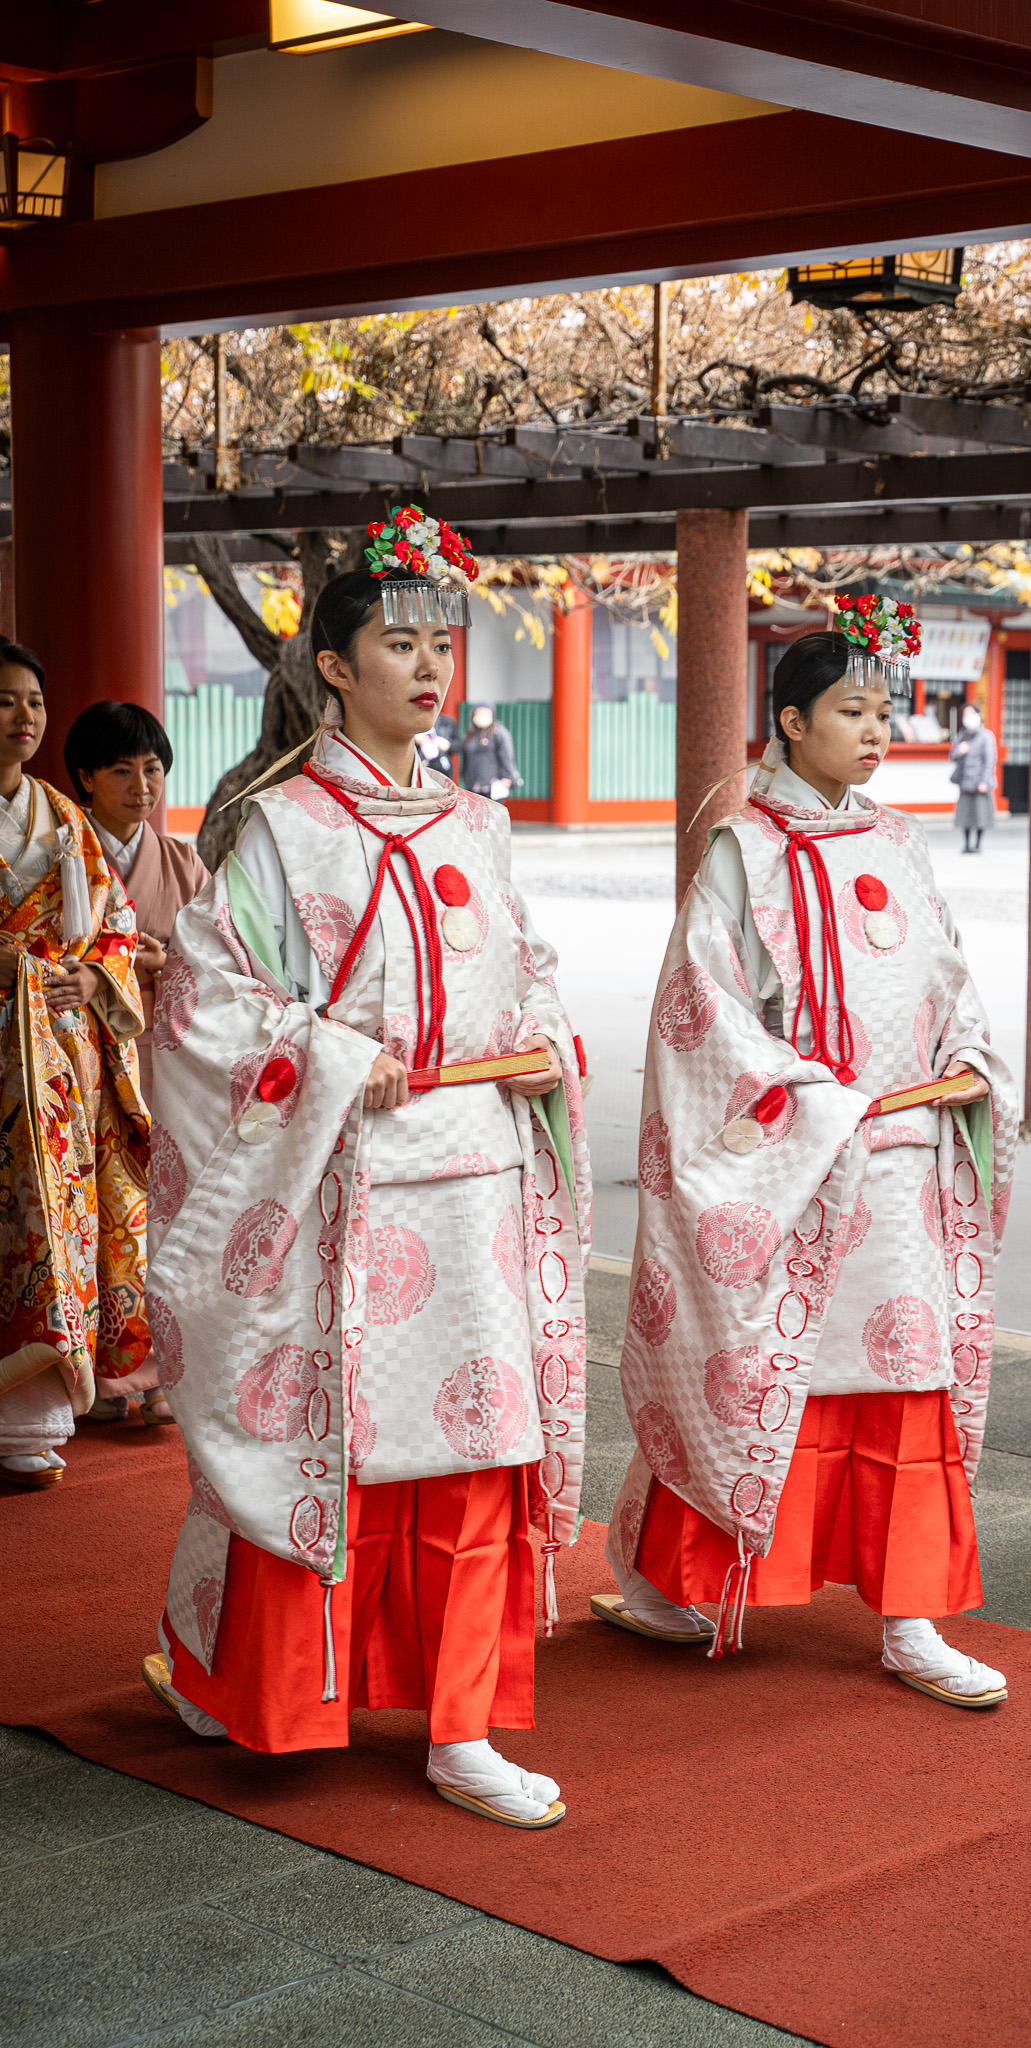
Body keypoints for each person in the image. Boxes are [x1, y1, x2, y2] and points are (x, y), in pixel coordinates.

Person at [140, 506, 591, 1829]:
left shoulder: (478, 823)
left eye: (439, 644)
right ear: (332, 666)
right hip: (335, 1186)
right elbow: (208, 1009)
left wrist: (549, 1034)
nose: (428, 667)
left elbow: (528, 966)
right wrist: (330, 1055)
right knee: (323, 1445)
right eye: (397, 643)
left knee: (474, 1447)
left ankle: (463, 1727)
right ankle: (263, 1682)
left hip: (476, 1181)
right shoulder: (277, 828)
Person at [595, 620, 1019, 1708]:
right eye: (851, 712)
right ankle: (669, 1579)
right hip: (797, 1155)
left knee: (902, 1376)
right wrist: (813, 1105)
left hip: (901, 1154)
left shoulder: (901, 840)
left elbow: (945, 976)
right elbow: (704, 1013)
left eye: (885, 713)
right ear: (790, 721)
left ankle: (913, 1617)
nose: (877, 732)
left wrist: (968, 1052)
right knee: (752, 1367)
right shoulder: (744, 847)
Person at [0, 641, 149, 1489]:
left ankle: (30, 1421)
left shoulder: (62, 818)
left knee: (57, 1222)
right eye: (5, 701)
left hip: (59, 1059)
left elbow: (117, 926)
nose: (24, 717)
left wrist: (93, 974)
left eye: (34, 702)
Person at [64, 699, 211, 1425]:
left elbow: (232, 967)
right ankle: (82, 1372)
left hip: (158, 1065)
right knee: (85, 1214)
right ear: (85, 778)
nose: (142, 784)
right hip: (78, 1060)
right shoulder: (60, 852)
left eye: (152, 767)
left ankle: (151, 1373)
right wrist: (122, 963)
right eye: (121, 769)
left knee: (159, 1217)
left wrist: (173, 959)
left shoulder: (183, 861)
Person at [949, 704, 997, 854]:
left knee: (980, 814)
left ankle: (978, 843)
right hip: (965, 780)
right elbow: (952, 756)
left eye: (971, 713)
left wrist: (985, 781)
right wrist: (960, 750)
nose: (968, 717)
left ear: (978, 715)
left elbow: (989, 760)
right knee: (965, 814)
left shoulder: (986, 736)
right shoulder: (961, 736)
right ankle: (967, 843)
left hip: (980, 781)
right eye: (965, 714)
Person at [457, 703, 518, 801]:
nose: (482, 716)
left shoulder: (499, 733)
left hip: (494, 786)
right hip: (473, 786)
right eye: (479, 713)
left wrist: (507, 776)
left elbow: (506, 756)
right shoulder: (470, 734)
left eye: (485, 713)